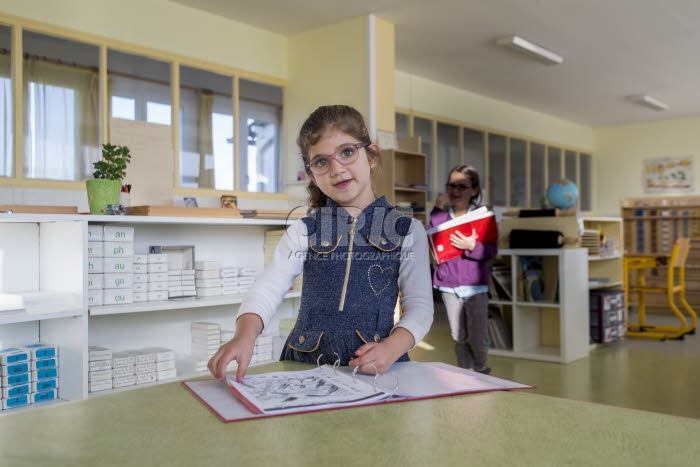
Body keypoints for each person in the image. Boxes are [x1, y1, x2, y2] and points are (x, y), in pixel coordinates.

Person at [209, 105, 434, 383]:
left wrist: (392, 347)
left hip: (375, 368)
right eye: (321, 162)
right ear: (312, 173)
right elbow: (267, 289)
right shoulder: (303, 230)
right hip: (303, 367)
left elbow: (421, 308)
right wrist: (244, 336)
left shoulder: (408, 230)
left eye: (347, 152)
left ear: (372, 155)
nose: (337, 169)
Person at [430, 165, 497, 374]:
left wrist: (472, 247)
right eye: (451, 185)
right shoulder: (440, 215)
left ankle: (480, 369)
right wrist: (437, 209)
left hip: (475, 287)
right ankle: (465, 374)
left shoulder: (484, 218)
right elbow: (435, 243)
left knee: (476, 336)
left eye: (462, 186)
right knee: (458, 337)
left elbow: (491, 250)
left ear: (474, 191)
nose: (455, 190)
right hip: (449, 285)